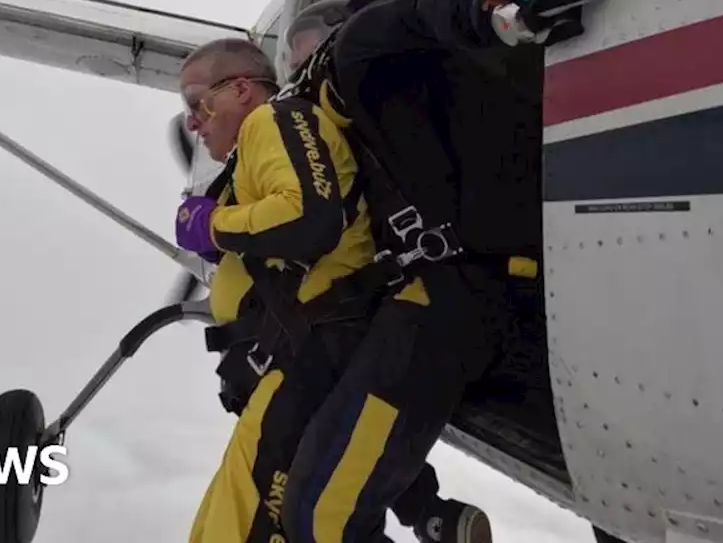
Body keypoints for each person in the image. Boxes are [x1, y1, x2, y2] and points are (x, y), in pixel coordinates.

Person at [263, 0, 623, 543]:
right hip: (534, 298)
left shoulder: (348, 54)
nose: (297, 68)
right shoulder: (412, 104)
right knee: (619, 503)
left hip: (455, 299)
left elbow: (418, 7)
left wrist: (502, 7)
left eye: (300, 50)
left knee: (320, 515)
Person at [174, 38, 492, 543]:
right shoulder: (254, 150)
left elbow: (307, 216)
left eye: (197, 103)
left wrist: (213, 225)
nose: (192, 122)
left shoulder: (272, 121)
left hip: (310, 355)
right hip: (290, 362)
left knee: (246, 529)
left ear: (240, 90)